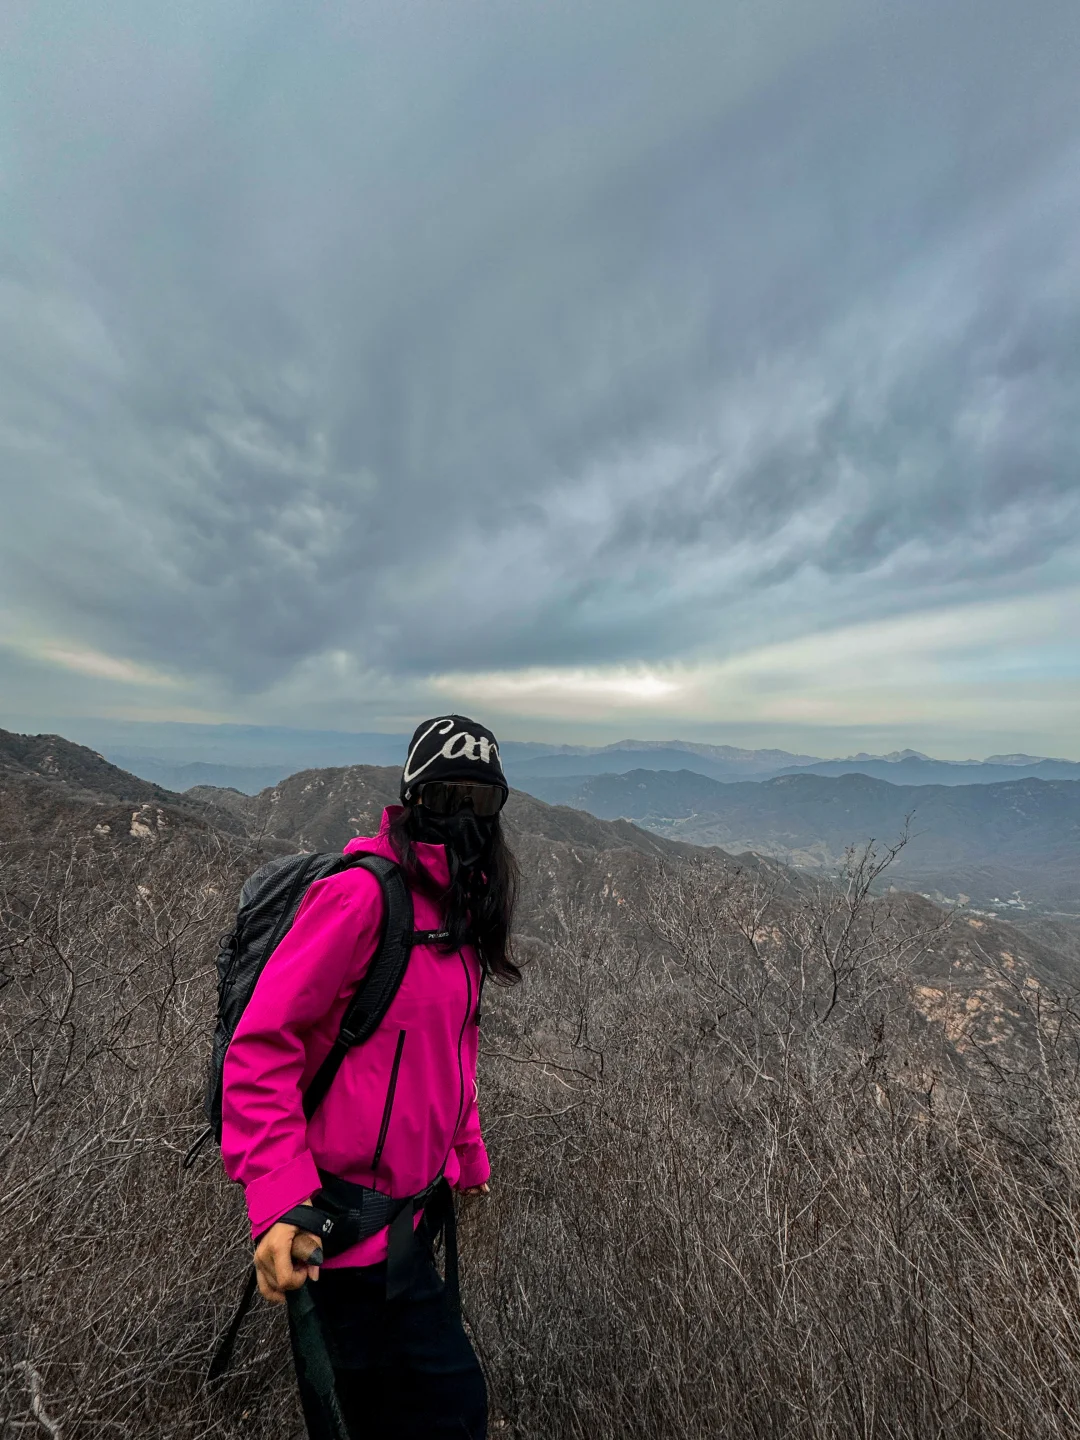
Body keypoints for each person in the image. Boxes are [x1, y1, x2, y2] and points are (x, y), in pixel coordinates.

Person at [220, 715, 521, 1440]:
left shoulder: (457, 918)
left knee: (458, 1412)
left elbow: (453, 1047)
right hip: (338, 1238)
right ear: (413, 796)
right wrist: (279, 1203)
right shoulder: (361, 900)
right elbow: (261, 1047)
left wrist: (469, 1157)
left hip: (413, 1232)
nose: (464, 818)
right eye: (447, 796)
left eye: (481, 801)